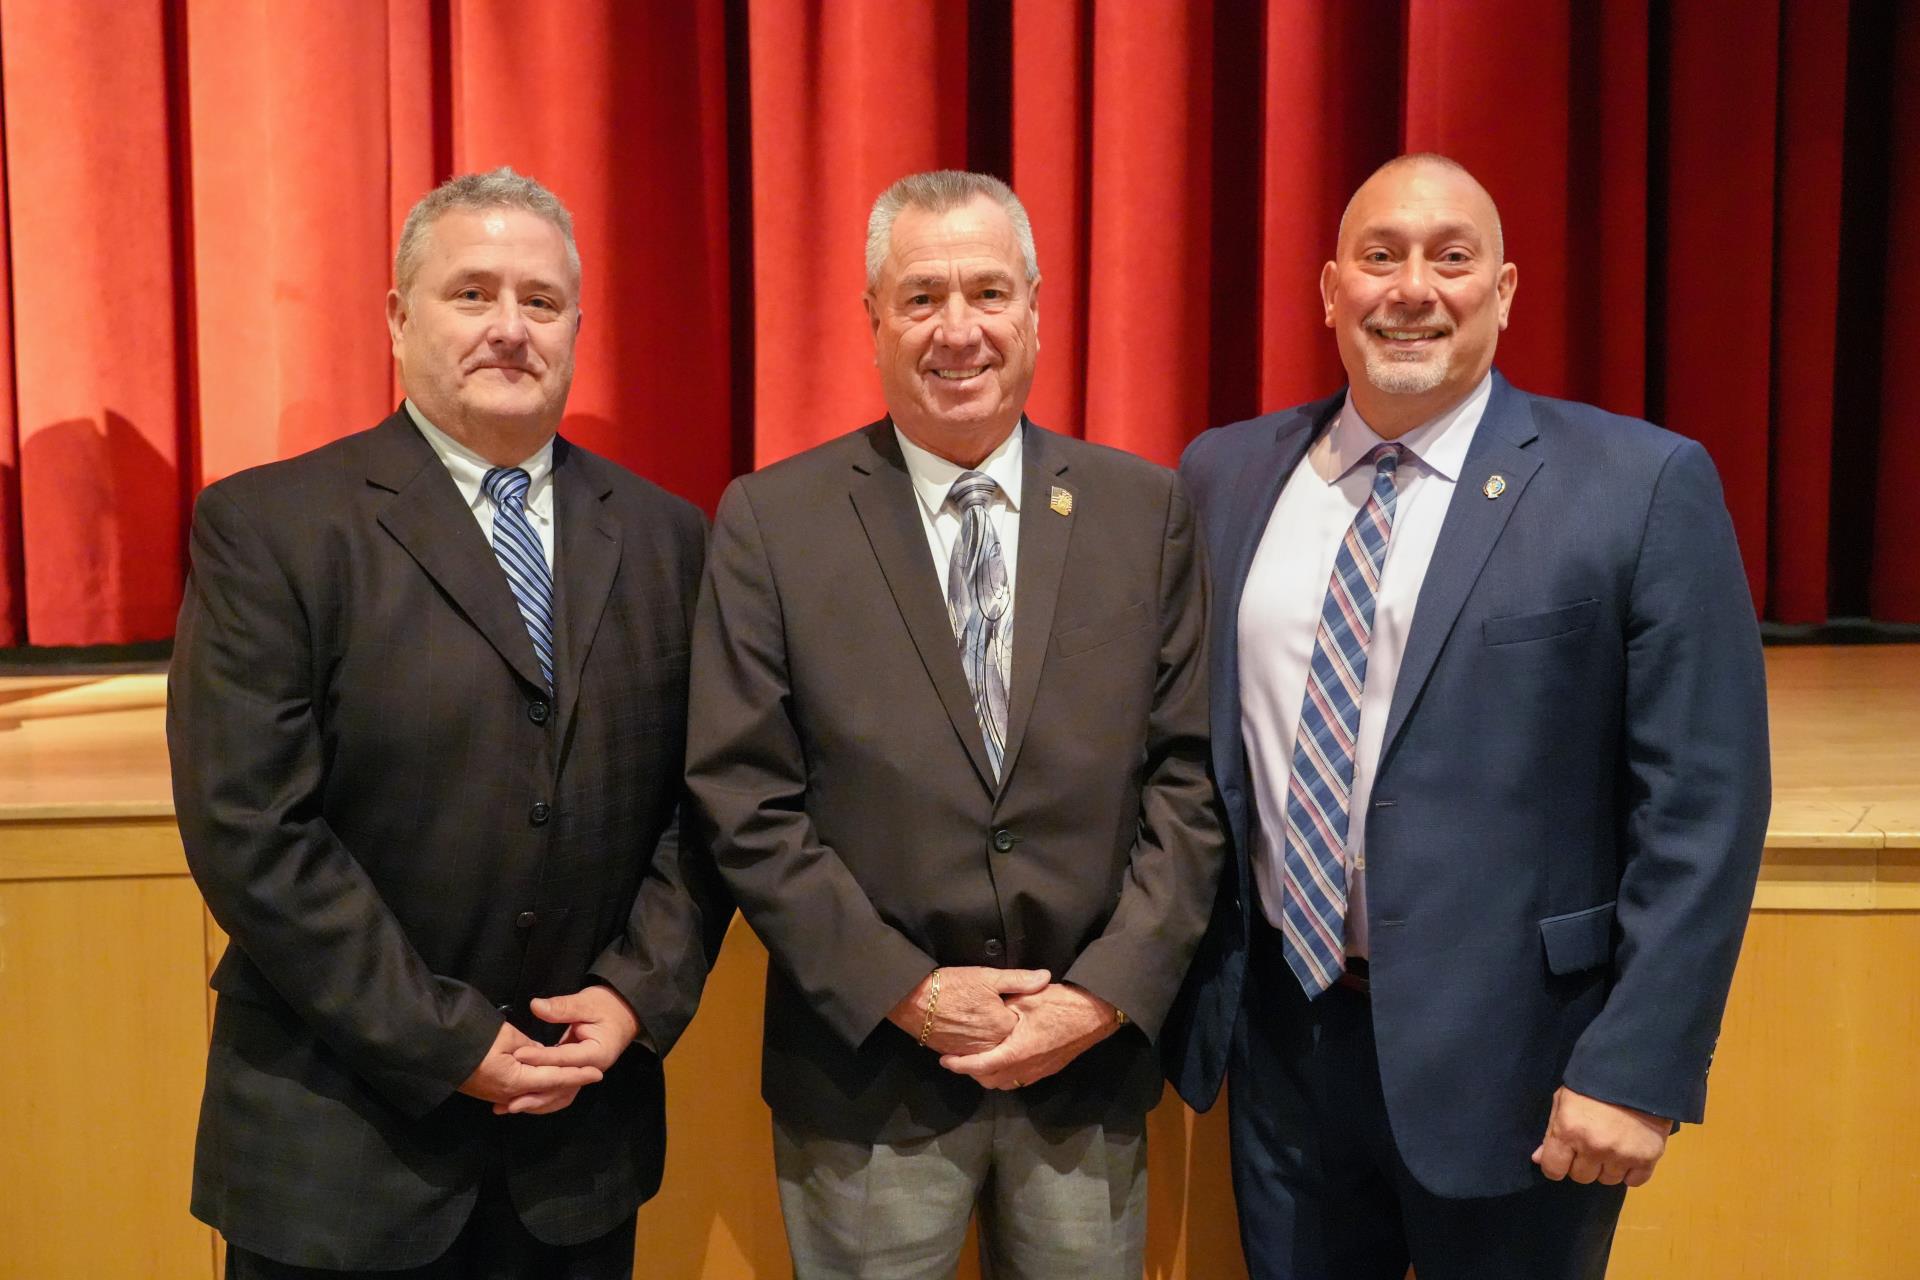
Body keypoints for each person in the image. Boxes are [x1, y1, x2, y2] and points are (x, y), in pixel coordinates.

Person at [1161, 153, 1771, 1280]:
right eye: (1381, 257)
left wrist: (1638, 1062)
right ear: (1330, 289)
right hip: (1285, 1048)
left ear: (1504, 291)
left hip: (1525, 1070)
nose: (1413, 289)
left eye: (1453, 259)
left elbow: (1705, 805)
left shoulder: (1638, 484)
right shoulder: (1223, 475)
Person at [168, 167, 729, 1279]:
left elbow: (708, 801)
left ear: (578, 325)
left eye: (541, 300)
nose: (510, 328)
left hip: (577, 1148)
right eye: (471, 294)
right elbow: (253, 831)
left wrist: (638, 990)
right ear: (396, 316)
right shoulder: (272, 528)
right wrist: (450, 1038)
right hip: (340, 1150)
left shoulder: (672, 538)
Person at [685, 169, 1225, 1278]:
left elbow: (1190, 776)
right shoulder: (771, 521)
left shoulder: (1145, 509)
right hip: (870, 1079)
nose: (958, 329)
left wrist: (1101, 995)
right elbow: (743, 794)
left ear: (1035, 307)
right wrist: (910, 992)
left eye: (988, 291)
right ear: (871, 319)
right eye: (922, 296)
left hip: (1086, 1068)